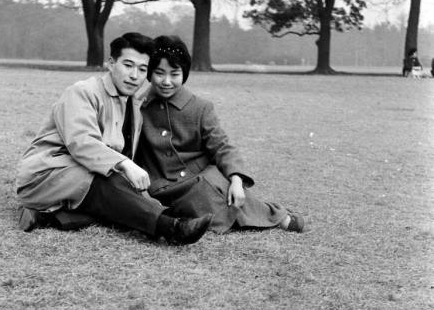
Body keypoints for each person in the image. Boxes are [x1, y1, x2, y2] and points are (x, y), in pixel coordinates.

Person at [16, 32, 212, 245]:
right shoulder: (82, 91)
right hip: (47, 175)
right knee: (108, 184)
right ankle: (171, 228)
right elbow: (82, 143)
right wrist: (125, 164)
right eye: (128, 65)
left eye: (142, 69)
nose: (134, 75)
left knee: (116, 198)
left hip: (85, 179)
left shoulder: (133, 104)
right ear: (111, 63)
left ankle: (48, 217)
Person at [135, 35, 304, 234]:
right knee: (199, 196)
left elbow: (221, 146)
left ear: (184, 74)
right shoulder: (138, 105)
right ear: (150, 73)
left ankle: (273, 214)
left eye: (175, 74)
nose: (166, 81)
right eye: (159, 73)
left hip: (201, 175)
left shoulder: (200, 108)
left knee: (215, 185)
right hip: (161, 184)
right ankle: (271, 216)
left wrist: (237, 180)